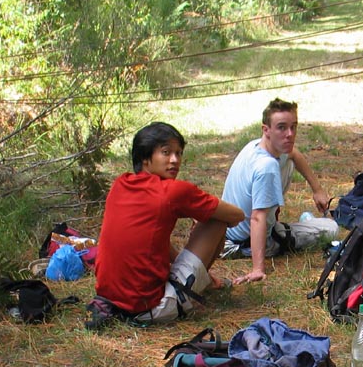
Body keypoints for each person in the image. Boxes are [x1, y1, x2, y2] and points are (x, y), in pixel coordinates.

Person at [93, 122, 244, 323]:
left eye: (179, 153)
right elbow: (237, 215)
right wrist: (205, 216)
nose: (175, 160)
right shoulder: (173, 192)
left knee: (203, 217)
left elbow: (152, 240)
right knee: (217, 221)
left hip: (110, 300)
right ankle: (196, 287)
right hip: (150, 308)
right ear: (145, 158)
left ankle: (202, 281)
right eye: (166, 152)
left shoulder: (120, 184)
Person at [221, 98, 336, 285]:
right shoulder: (266, 167)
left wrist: (318, 190)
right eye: (282, 127)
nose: (289, 134)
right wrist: (258, 269)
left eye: (294, 127)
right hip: (244, 242)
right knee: (331, 228)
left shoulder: (256, 146)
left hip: (228, 231)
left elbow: (294, 154)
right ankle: (308, 224)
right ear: (266, 130)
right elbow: (257, 218)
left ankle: (305, 224)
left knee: (287, 160)